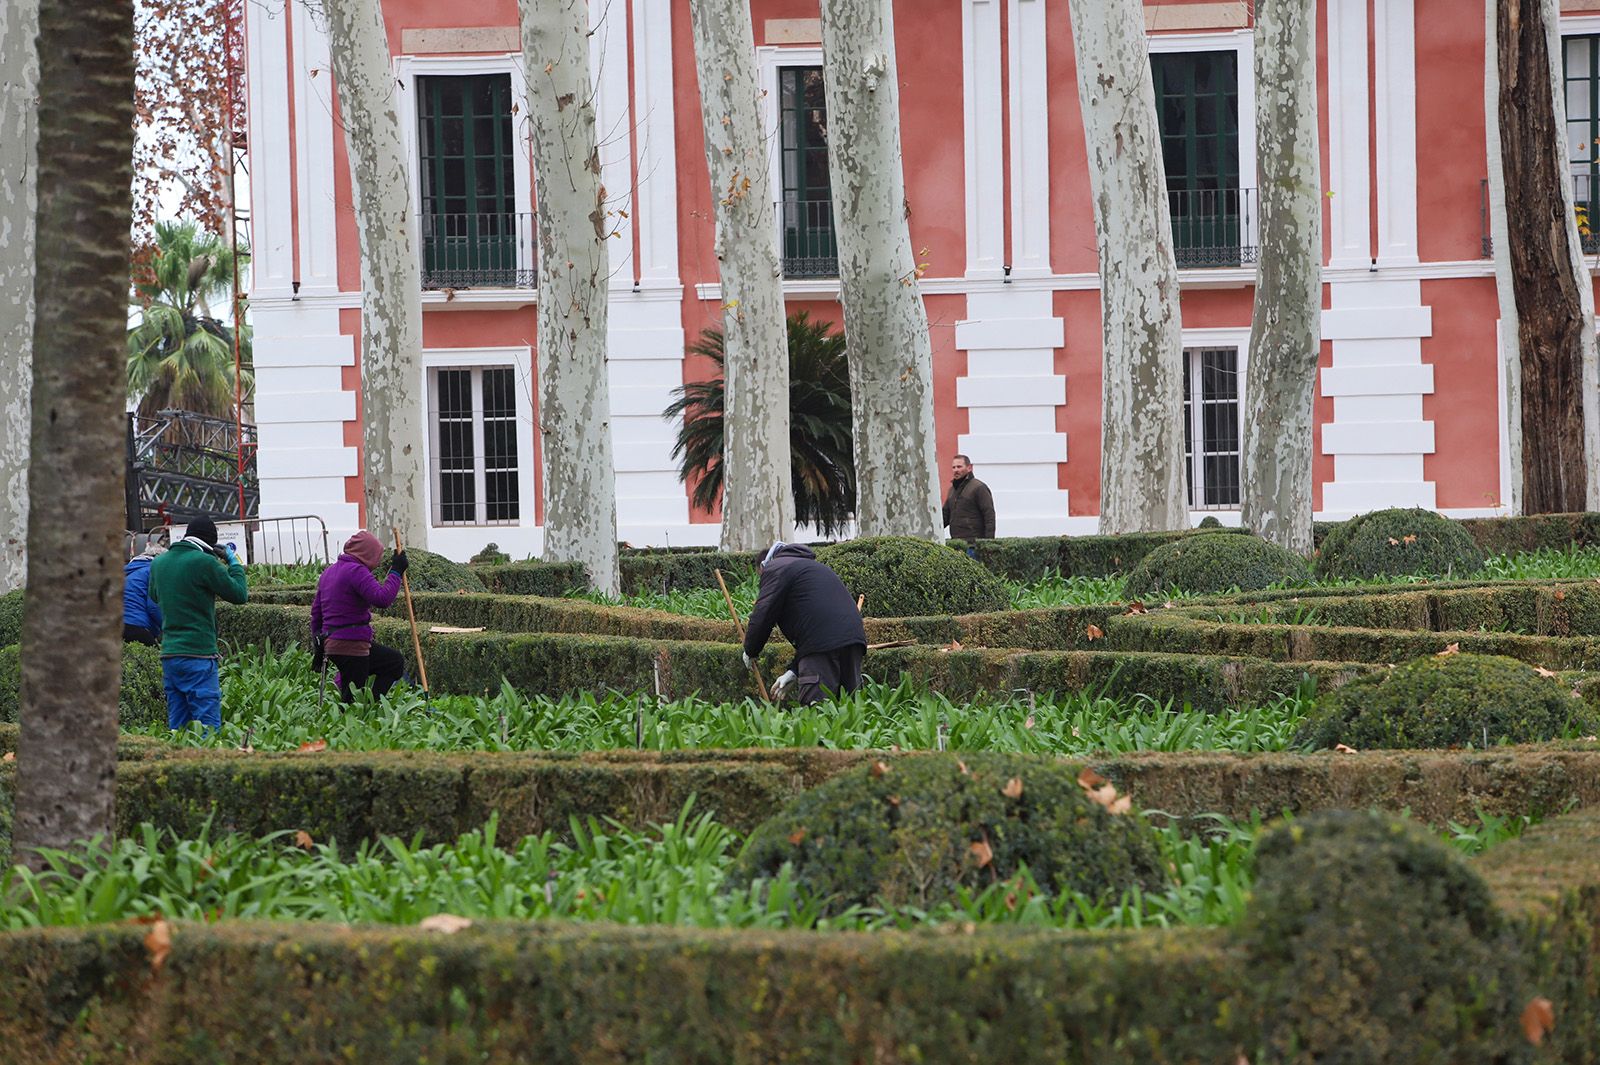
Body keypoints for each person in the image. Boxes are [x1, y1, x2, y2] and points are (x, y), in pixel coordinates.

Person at [149, 517, 249, 730]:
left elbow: (154, 596)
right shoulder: (205, 562)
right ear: (210, 542)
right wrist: (234, 563)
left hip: (170, 655)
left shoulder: (158, 563)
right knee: (208, 727)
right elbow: (239, 594)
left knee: (178, 727)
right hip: (199, 654)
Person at [742, 541, 867, 705]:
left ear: (764, 566)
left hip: (823, 642)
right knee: (851, 707)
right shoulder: (812, 567)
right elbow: (815, 626)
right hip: (854, 639)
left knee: (816, 710)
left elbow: (763, 612)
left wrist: (751, 649)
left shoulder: (776, 567)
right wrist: (793, 671)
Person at [310, 531, 410, 704]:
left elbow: (316, 612)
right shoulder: (356, 570)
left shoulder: (329, 572)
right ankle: (365, 711)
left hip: (332, 644)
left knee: (393, 662)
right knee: (351, 701)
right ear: (367, 554)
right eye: (376, 557)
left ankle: (366, 702)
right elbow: (382, 599)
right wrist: (396, 571)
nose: (377, 562)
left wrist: (318, 641)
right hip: (352, 645)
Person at [943, 454, 996, 546]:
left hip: (974, 545)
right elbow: (945, 516)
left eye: (959, 467)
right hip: (957, 544)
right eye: (954, 467)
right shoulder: (952, 490)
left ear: (969, 468)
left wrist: (988, 543)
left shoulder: (979, 487)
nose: (956, 470)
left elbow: (989, 516)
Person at [122, 541, 166, 646]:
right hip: (137, 624)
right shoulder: (153, 571)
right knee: (155, 660)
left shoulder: (131, 572)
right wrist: (169, 627)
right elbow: (153, 606)